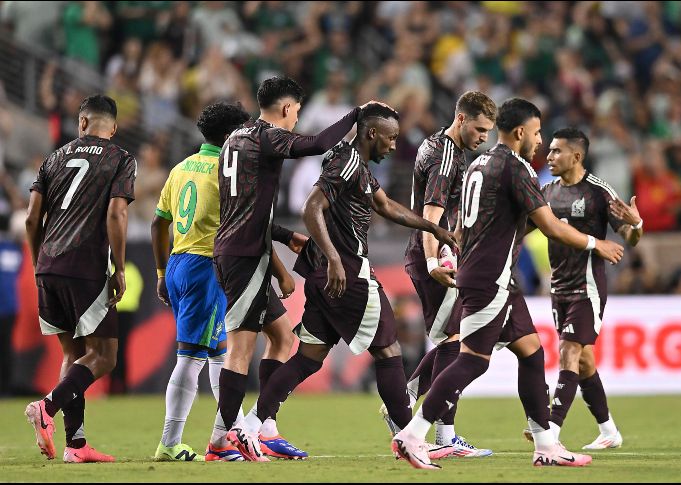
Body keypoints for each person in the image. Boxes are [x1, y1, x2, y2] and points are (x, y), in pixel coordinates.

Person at [391, 99, 623, 470]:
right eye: (537, 132)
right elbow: (549, 226)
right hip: (490, 278)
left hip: (490, 276)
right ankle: (412, 434)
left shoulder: (479, 164)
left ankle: (547, 445)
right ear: (520, 133)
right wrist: (597, 242)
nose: (540, 140)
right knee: (472, 361)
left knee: (531, 352)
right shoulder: (515, 169)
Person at [245, 104, 458, 458]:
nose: (393, 146)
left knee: (309, 357)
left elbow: (387, 206)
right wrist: (333, 258)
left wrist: (433, 227)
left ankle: (250, 425)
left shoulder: (352, 162)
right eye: (390, 138)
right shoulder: (347, 163)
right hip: (346, 271)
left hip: (322, 275)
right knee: (388, 351)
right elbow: (311, 207)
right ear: (371, 134)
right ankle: (410, 437)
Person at [212, 76, 383, 461]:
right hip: (242, 256)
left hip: (241, 248)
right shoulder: (267, 135)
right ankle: (226, 440)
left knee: (282, 337)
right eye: (297, 111)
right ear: (288, 108)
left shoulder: (234, 140)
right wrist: (355, 115)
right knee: (239, 348)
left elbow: (239, 209)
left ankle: (266, 425)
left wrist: (285, 235)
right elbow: (318, 145)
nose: (296, 119)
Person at [151, 102, 309, 462]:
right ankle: (172, 442)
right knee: (193, 357)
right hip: (209, 268)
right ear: (229, 135)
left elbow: (158, 222)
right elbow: (245, 229)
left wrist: (162, 273)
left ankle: (240, 433)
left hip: (180, 262)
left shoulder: (181, 168)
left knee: (225, 352)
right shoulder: (224, 170)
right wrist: (283, 270)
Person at [383, 91, 497, 457]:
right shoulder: (447, 157)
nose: (484, 137)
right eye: (479, 129)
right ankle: (444, 435)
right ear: (461, 119)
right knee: (456, 342)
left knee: (454, 337)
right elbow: (431, 216)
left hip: (437, 254)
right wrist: (435, 262)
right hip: (435, 258)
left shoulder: (437, 146)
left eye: (488, 131)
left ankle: (404, 400)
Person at [24, 94, 136, 463]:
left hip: (47, 265)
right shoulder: (121, 158)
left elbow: (30, 219)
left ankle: (76, 445)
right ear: (113, 127)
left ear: (82, 123)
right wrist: (119, 267)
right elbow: (117, 214)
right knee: (103, 356)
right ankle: (47, 407)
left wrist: (40, 257)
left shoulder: (53, 158)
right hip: (84, 266)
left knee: (73, 354)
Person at [526, 127, 642, 450]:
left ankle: (550, 430)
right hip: (558, 287)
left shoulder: (598, 192)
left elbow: (628, 238)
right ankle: (609, 432)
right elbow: (522, 230)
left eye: (556, 151)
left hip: (587, 287)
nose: (548, 156)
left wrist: (637, 224)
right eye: (548, 150)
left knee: (568, 351)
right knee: (585, 361)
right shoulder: (545, 192)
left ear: (576, 156)